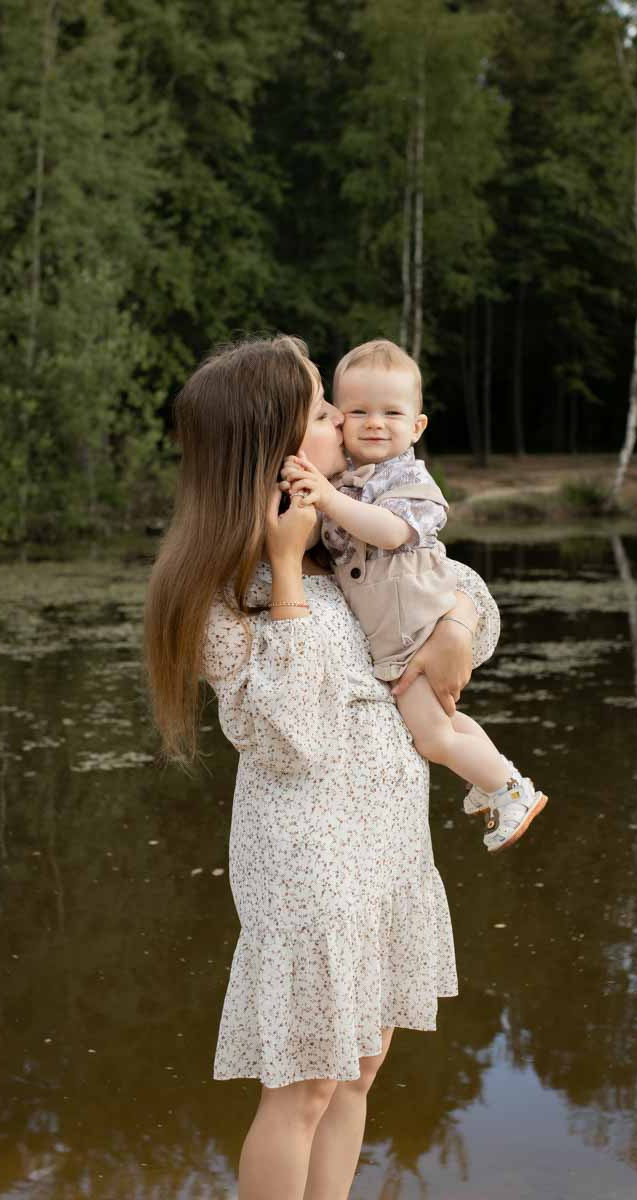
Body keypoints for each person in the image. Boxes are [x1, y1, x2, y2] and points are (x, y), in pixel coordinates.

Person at [144, 334, 500, 1200]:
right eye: (324, 413)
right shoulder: (224, 591)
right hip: (310, 867)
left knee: (359, 1072)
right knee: (303, 1088)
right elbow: (290, 735)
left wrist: (454, 631)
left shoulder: (353, 528)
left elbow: (468, 602)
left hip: (385, 849)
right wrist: (285, 567)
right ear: (276, 448)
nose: (346, 423)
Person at [280, 338, 547, 854]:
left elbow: (390, 532)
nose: (373, 423)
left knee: (432, 738)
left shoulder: (407, 478)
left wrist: (329, 497)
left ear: (418, 427)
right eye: (357, 411)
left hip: (415, 627)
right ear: (339, 419)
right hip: (397, 632)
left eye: (391, 413)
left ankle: (511, 790)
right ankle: (489, 779)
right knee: (445, 721)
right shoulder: (346, 480)